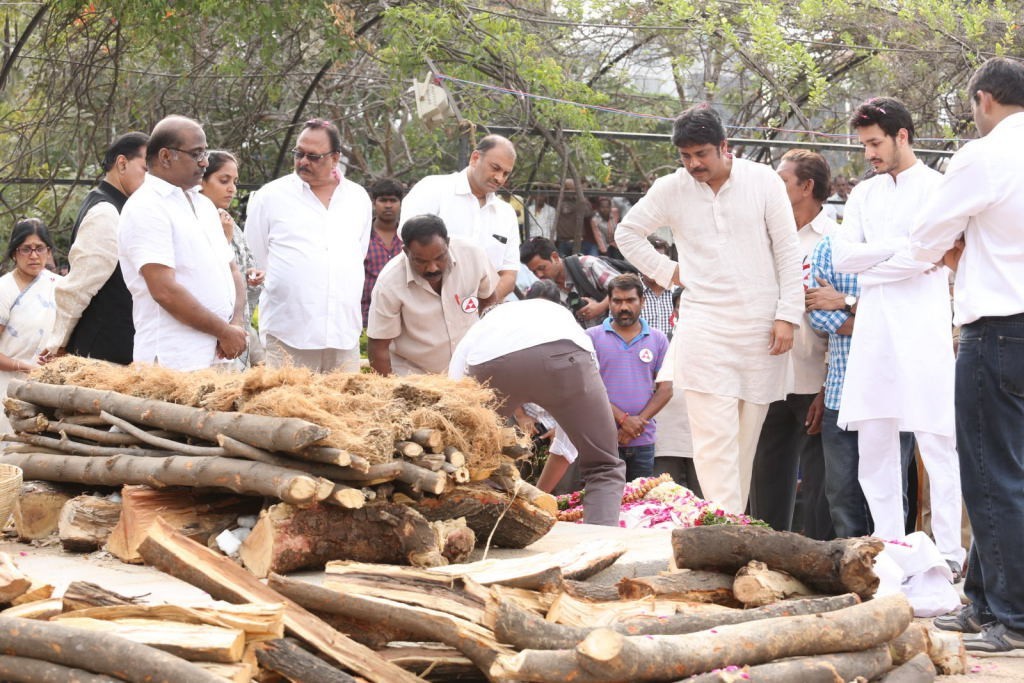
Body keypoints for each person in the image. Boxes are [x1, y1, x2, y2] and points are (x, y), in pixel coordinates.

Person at [615, 104, 803, 515]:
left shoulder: (763, 181)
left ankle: (730, 527)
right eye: (685, 156)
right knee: (713, 441)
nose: (694, 164)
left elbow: (788, 250)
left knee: (744, 440)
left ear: (724, 146)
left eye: (701, 154)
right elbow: (626, 232)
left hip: (759, 326)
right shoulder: (672, 188)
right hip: (704, 325)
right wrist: (669, 271)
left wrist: (788, 315)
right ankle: (722, 527)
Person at [911, 57, 1024, 654]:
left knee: (991, 476)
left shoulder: (985, 154)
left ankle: (1010, 615)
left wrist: (953, 249)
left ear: (984, 100)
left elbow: (928, 232)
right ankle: (983, 602)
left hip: (999, 327)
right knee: (1008, 473)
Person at [831, 97, 965, 572]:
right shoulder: (864, 195)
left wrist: (879, 262)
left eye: (874, 143)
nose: (868, 153)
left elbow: (934, 255)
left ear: (902, 135)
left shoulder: (937, 187)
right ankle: (888, 548)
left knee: (937, 442)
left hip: (924, 333)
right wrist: (903, 254)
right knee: (875, 443)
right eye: (864, 144)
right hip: (873, 336)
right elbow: (842, 259)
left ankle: (950, 554)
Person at [449, 287, 626, 526]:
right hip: (565, 353)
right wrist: (540, 495)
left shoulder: (481, 327)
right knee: (603, 466)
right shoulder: (559, 316)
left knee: (477, 464)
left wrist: (462, 448)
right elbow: (568, 444)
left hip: (490, 363)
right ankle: (602, 546)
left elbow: (455, 396)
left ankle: (480, 537)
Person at [749, 149, 835, 539]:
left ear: (807, 186)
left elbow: (839, 320)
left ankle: (822, 568)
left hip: (816, 379)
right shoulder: (764, 235)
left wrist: (826, 384)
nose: (774, 186)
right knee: (765, 484)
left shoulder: (836, 240)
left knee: (820, 490)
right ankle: (763, 564)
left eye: (782, 180)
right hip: (768, 375)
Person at [807, 234, 916, 539]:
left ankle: (893, 565)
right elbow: (816, 313)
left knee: (891, 492)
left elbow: (907, 315)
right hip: (841, 391)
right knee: (842, 495)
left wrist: (845, 301)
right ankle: (855, 569)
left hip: (891, 392)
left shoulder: (904, 245)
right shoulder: (830, 246)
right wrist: (875, 319)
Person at [118, 115, 247, 371]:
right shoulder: (147, 206)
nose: (205, 162)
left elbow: (231, 270)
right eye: (197, 153)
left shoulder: (202, 204)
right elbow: (164, 290)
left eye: (205, 152)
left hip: (219, 354)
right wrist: (223, 330)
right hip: (175, 361)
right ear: (165, 157)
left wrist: (237, 324)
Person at [246, 118, 371, 373]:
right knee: (284, 409)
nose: (303, 162)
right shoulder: (270, 197)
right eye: (299, 153)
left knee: (343, 410)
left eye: (313, 156)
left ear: (335, 158)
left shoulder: (357, 197)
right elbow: (255, 258)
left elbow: (359, 253)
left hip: (342, 334)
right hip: (288, 335)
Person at [41, 132, 149, 365]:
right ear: (122, 163)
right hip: (101, 356)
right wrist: (57, 343)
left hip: (121, 350)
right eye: (145, 169)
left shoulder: (125, 208)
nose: (150, 180)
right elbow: (79, 286)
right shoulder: (106, 212)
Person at [366, 214, 497, 375]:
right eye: (421, 261)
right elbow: (378, 346)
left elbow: (489, 299)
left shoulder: (473, 255)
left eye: (439, 257)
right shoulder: (389, 283)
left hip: (469, 372)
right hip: (416, 378)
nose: (432, 268)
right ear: (406, 252)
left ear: (447, 244)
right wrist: (389, 394)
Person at [398, 135, 519, 301]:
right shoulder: (432, 189)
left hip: (484, 316)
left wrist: (486, 302)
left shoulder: (506, 213)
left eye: (506, 173)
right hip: (428, 307)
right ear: (475, 158)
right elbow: (412, 246)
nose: (500, 178)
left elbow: (509, 273)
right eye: (495, 168)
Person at [586, 274, 672, 480]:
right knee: (602, 502)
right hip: (602, 441)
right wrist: (623, 420)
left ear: (642, 301)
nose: (623, 307)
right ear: (609, 303)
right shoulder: (591, 337)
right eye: (617, 301)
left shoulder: (658, 339)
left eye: (630, 300)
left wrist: (636, 424)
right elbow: (586, 389)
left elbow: (666, 389)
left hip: (643, 441)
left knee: (641, 506)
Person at [200, 150, 265, 366]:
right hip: (207, 336)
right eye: (223, 180)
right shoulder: (193, 222)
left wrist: (251, 276)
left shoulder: (229, 222)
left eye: (235, 182)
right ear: (201, 181)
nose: (232, 189)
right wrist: (224, 241)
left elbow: (242, 269)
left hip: (236, 331)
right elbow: (202, 276)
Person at [0, 220, 61, 433]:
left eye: (40, 248)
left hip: (48, 388)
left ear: (49, 252)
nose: (34, 255)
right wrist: (26, 367)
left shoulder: (60, 286)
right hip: (7, 389)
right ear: (14, 253)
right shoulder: (4, 290)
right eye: (26, 249)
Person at [519, 237, 620, 328]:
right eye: (534, 272)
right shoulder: (547, 290)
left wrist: (600, 307)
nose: (539, 275)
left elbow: (623, 288)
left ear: (554, 257)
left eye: (542, 268)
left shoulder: (587, 265)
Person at [361, 178, 404, 328]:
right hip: (364, 318)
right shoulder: (361, 236)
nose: (388, 205)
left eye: (393, 200)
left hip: (402, 318)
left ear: (400, 203)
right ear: (374, 202)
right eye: (383, 200)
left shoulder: (407, 238)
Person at [639, 236, 677, 337]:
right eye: (649, 260)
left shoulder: (682, 295)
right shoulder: (630, 296)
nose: (654, 266)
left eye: (659, 262)